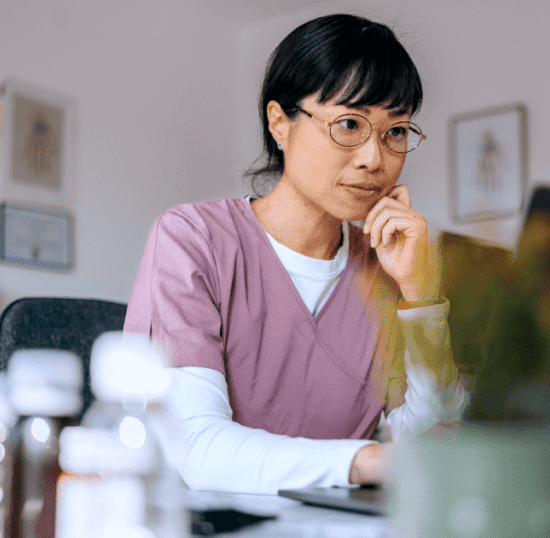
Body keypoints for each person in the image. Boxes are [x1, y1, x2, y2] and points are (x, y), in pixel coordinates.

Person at [123, 13, 466, 494]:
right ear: (280, 123)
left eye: (396, 131)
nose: (375, 158)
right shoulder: (192, 240)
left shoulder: (383, 268)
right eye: (350, 123)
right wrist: (368, 460)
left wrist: (420, 298)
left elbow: (432, 440)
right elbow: (194, 449)